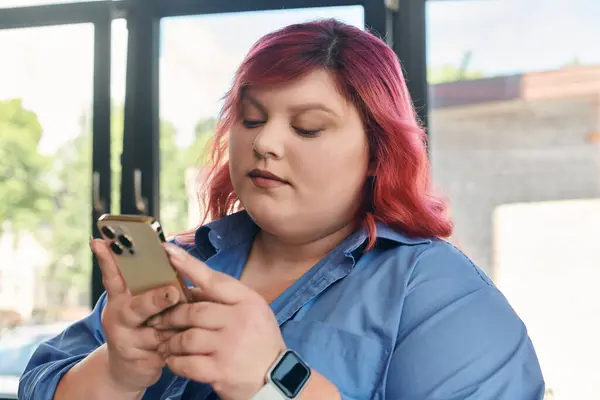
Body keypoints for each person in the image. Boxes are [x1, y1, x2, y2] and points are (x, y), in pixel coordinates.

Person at [19, 19, 545, 400]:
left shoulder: (439, 296)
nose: (264, 141)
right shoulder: (179, 260)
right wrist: (116, 372)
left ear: (377, 151)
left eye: (307, 127)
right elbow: (41, 383)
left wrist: (274, 379)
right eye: (250, 119)